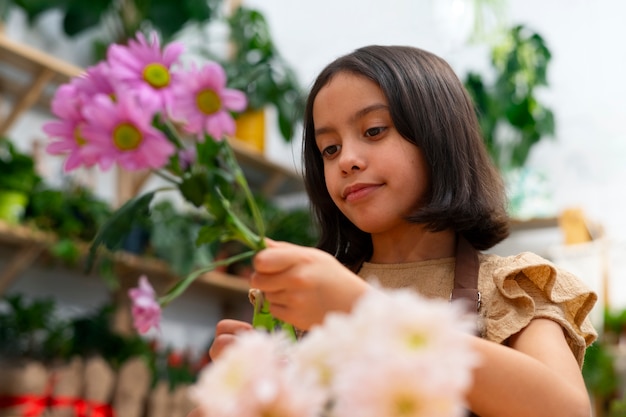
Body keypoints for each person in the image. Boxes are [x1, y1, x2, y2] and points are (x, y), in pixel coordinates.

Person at [191, 45, 598, 417]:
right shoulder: (306, 297)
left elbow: (567, 412)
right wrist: (235, 393)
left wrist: (363, 309)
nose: (347, 159)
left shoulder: (512, 289)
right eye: (329, 148)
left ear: (437, 136)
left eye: (373, 131)